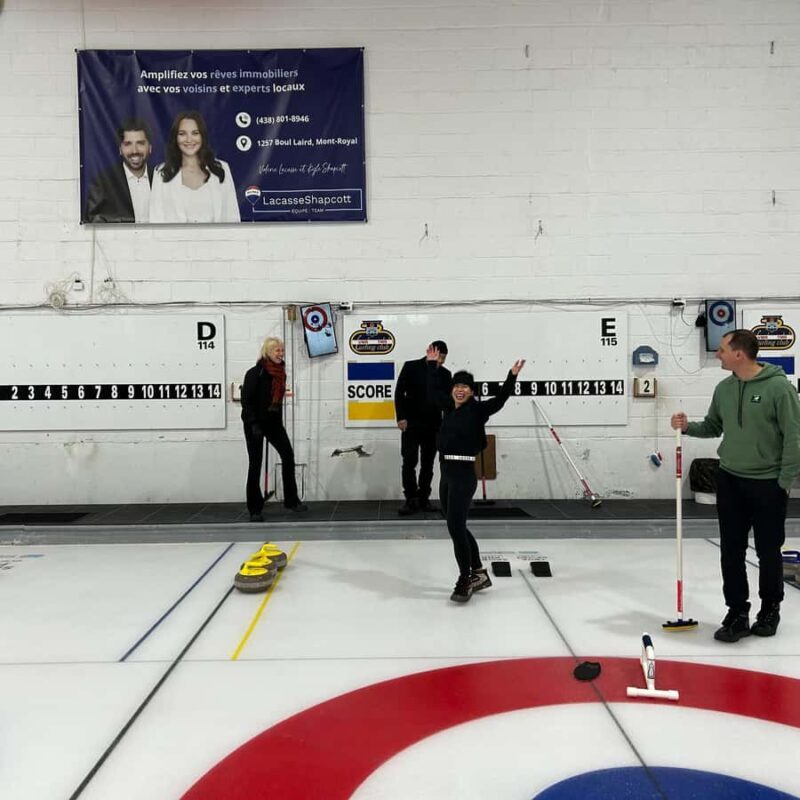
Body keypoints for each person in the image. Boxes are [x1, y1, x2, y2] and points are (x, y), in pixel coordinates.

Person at [671, 329, 800, 642]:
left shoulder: (779, 388)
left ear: (739, 353)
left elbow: (794, 437)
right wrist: (687, 427)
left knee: (768, 551)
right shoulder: (724, 389)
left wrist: (784, 481)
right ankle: (737, 612)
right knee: (731, 551)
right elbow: (713, 426)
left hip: (768, 484)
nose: (718, 354)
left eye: (722, 349)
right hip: (730, 480)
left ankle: (770, 609)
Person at [427, 344, 526, 602]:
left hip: (463, 475)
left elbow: (501, 399)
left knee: (455, 526)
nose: (459, 390)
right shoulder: (448, 408)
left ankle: (466, 578)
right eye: (456, 386)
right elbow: (432, 389)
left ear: (472, 392)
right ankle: (479, 572)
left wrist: (512, 376)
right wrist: (432, 365)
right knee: (455, 525)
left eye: (465, 387)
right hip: (446, 473)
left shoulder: (478, 410)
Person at [241, 337, 308, 519]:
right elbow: (247, 401)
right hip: (254, 424)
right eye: (277, 350)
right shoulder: (255, 373)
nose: (281, 353)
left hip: (273, 423)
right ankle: (255, 509)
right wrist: (253, 424)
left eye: (282, 350)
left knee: (288, 456)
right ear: (268, 352)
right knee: (255, 464)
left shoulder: (280, 374)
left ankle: (291, 500)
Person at [150, 111, 240, 223]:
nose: (189, 139)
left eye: (195, 133)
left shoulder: (222, 169)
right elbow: (155, 221)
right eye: (182, 134)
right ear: (175, 138)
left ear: (202, 136)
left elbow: (233, 218)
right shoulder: (161, 173)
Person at [394, 340, 451, 515]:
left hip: (433, 425)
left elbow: (446, 402)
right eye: (439, 357)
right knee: (409, 461)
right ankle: (411, 498)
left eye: (443, 359)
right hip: (411, 423)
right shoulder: (411, 367)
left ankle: (424, 498)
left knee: (428, 463)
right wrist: (401, 417)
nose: (440, 361)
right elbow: (399, 392)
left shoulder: (445, 374)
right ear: (430, 352)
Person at [83, 117, 154, 223]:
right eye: (128, 144)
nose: (134, 150)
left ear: (150, 148)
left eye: (140, 143)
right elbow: (91, 222)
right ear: (120, 149)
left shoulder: (162, 179)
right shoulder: (103, 183)